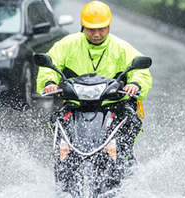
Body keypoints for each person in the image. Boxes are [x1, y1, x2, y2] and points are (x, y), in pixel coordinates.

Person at [36, 1, 152, 141]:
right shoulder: (67, 44)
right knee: (57, 120)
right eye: (91, 29)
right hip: (76, 104)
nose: (96, 34)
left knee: (132, 122)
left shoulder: (122, 47)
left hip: (113, 105)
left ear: (109, 26)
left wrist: (135, 84)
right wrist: (49, 82)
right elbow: (51, 64)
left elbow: (140, 71)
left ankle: (124, 159)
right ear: (83, 27)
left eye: (101, 29)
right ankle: (62, 155)